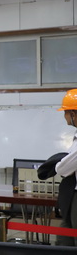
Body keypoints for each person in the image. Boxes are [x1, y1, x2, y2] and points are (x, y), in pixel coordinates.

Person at [54, 89, 77, 246]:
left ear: (74, 113)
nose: (64, 116)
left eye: (66, 112)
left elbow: (63, 169)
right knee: (65, 236)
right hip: (71, 193)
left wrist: (57, 164)